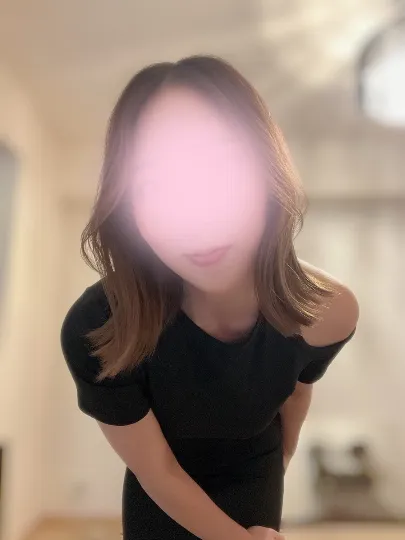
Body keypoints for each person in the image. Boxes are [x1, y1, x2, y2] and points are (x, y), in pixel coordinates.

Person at [60, 55, 359, 540]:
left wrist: (277, 467)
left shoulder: (329, 311)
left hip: (259, 472)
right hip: (161, 489)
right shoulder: (100, 326)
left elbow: (296, 392)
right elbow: (158, 470)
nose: (197, 218)